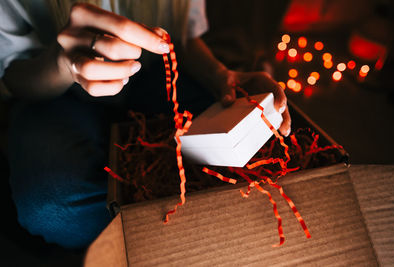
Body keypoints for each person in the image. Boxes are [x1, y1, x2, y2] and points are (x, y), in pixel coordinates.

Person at [0, 0, 291, 249]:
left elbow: (183, 36)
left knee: (240, 155)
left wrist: (220, 75)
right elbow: (14, 74)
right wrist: (63, 63)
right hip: (54, 91)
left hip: (154, 74)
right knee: (54, 209)